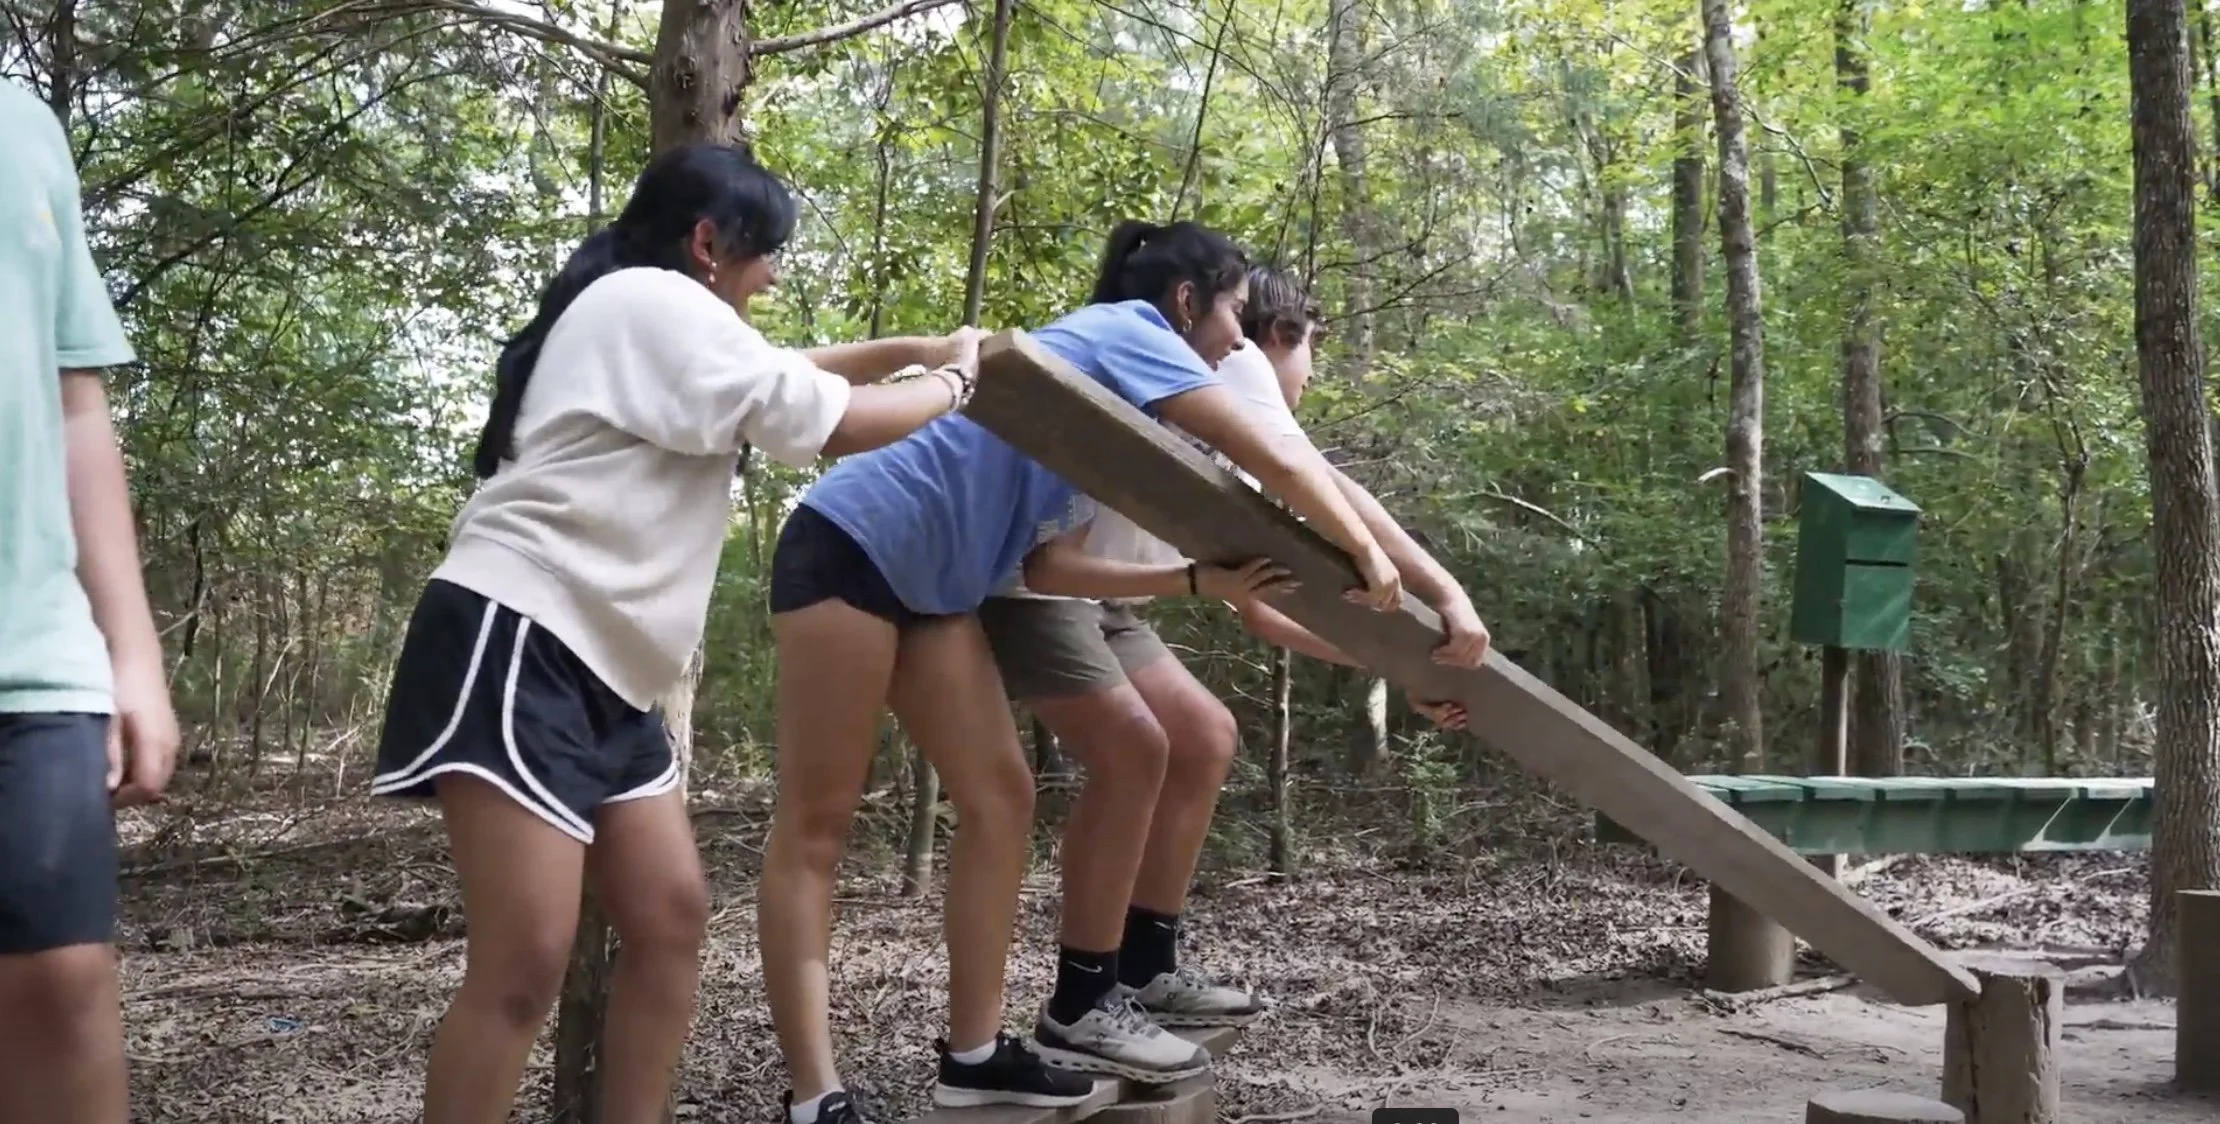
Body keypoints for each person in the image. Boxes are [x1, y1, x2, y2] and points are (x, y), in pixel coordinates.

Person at [367, 141, 983, 1124]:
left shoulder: (653, 316)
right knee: (522, 962)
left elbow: (787, 375)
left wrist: (907, 350)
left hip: (609, 668)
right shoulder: (651, 302)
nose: (771, 278)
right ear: (709, 242)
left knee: (669, 916)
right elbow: (821, 418)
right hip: (524, 631)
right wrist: (955, 385)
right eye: (766, 255)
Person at [760, 221, 1404, 1124]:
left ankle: (975, 1056)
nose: (1235, 338)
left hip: (941, 590)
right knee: (818, 824)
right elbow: (1284, 458)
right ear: (1187, 302)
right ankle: (815, 1099)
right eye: (1231, 313)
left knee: (1003, 798)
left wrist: (1195, 581)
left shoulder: (1104, 420)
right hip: (853, 545)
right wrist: (1370, 553)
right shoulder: (1127, 330)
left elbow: (1047, 567)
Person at [979, 264, 1487, 1083]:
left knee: (1205, 736)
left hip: (1105, 596)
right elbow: (1333, 489)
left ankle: (1145, 964)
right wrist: (1444, 594)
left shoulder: (1224, 414)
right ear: (1279, 338)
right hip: (1035, 580)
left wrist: (1391, 667)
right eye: (1311, 358)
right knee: (1135, 751)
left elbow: (1264, 608)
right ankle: (1081, 999)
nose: (1307, 383)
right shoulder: (1240, 363)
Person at [0, 79, 182, 1124]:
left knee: (64, 983)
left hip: (31, 646)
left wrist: (134, 651)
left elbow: (75, 398)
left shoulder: (26, 126)